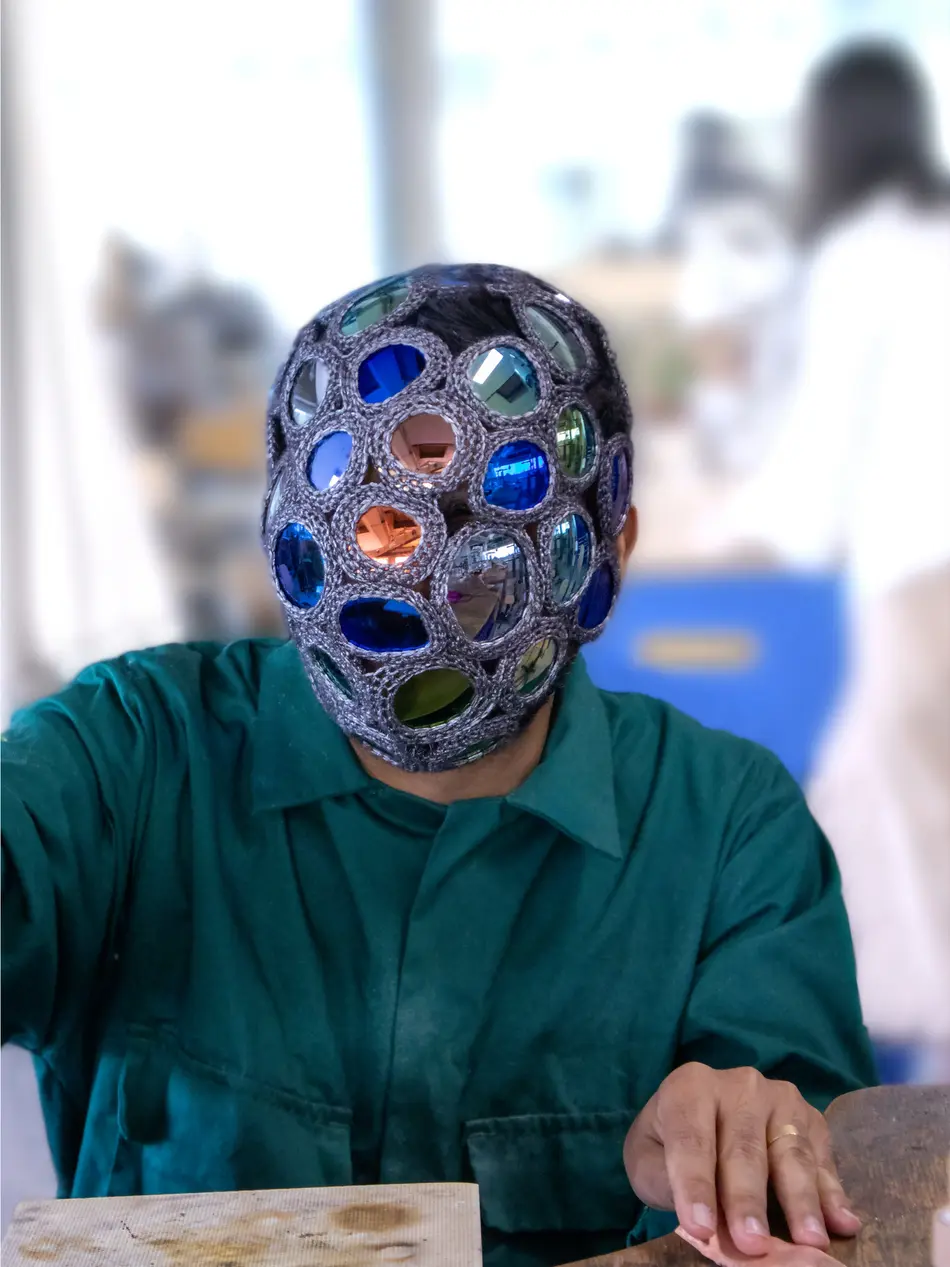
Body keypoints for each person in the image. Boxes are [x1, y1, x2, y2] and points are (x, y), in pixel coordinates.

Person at [2, 263, 873, 1266]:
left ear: (608, 546)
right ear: (293, 516)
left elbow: (797, 1163)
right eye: (372, 502)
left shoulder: (725, 828)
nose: (414, 555)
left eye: (481, 496)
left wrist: (741, 1146)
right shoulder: (131, 755)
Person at [722, 42, 950, 1077]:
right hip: (918, 574)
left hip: (917, 582)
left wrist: (731, 532)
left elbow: (815, 471)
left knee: (897, 845)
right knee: (879, 826)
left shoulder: (859, 255)